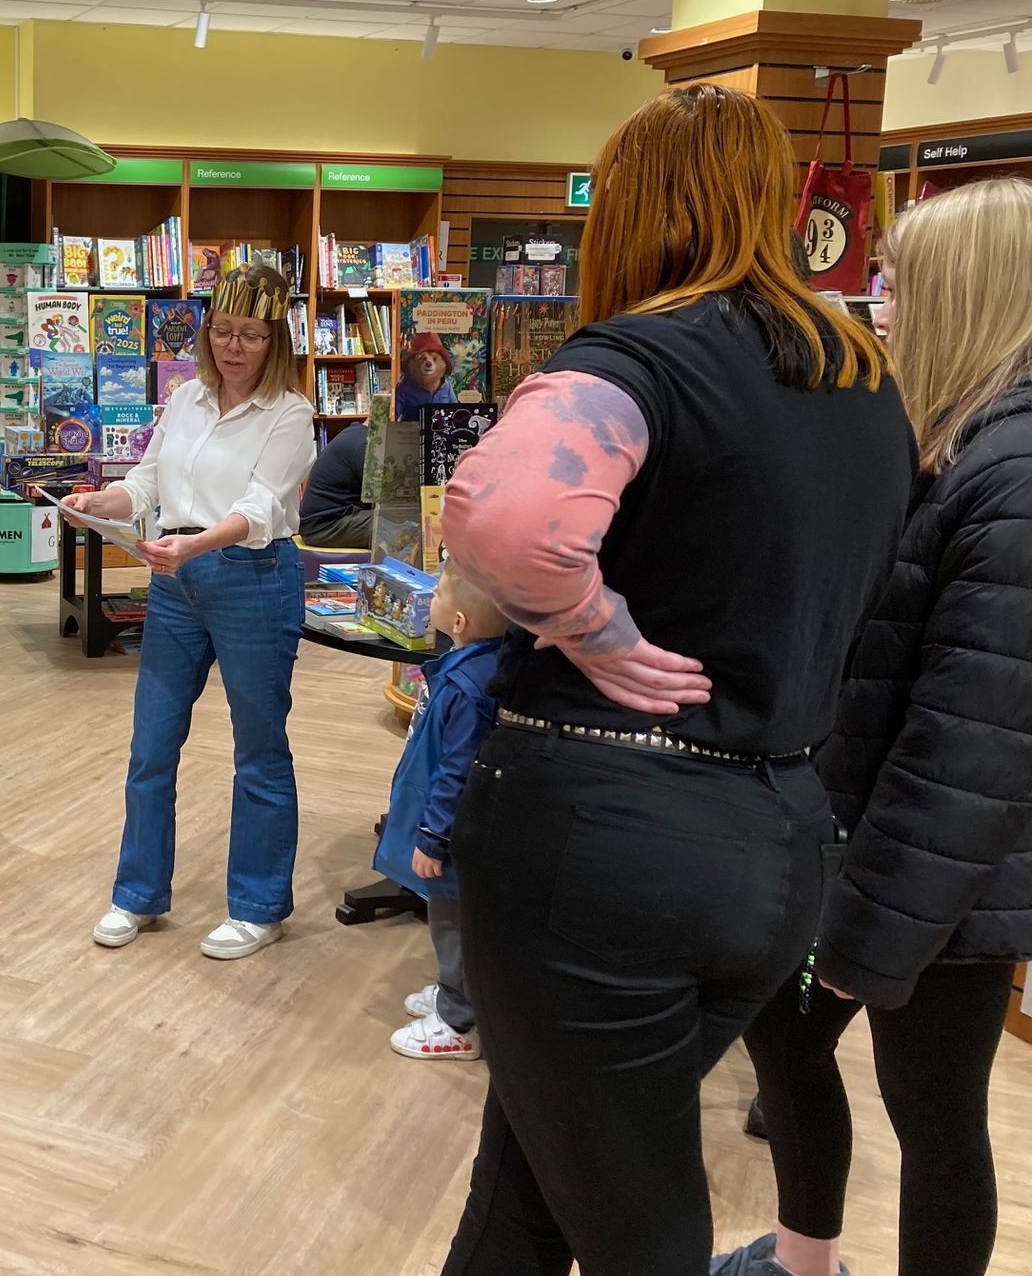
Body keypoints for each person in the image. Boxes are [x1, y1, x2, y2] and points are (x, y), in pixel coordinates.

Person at [431, 84, 914, 1274]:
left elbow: (498, 518)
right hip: (781, 836)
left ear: (631, 210)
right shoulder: (860, 376)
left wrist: (591, 628)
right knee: (533, 1177)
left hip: (601, 841)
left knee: (633, 1225)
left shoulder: (639, 356)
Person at [718, 177, 1032, 1276]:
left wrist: (876, 929)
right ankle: (806, 1261)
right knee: (787, 1043)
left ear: (972, 294)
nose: (874, 296)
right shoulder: (953, 439)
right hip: (873, 846)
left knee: (935, 1113)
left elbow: (972, 750)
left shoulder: (1015, 475)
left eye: (901, 278)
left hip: (942, 883)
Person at [68, 262, 316, 961]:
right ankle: (137, 893)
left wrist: (198, 544)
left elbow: (262, 507)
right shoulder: (186, 399)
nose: (233, 347)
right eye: (223, 331)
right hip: (177, 587)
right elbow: (148, 482)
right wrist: (100, 503)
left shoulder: (291, 413)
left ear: (277, 342)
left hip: (252, 580)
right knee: (151, 744)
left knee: (259, 750)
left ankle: (258, 905)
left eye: (252, 335)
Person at [374, 561, 506, 1062]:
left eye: (436, 594)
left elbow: (457, 770)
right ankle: (456, 992)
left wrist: (432, 837)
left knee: (451, 922)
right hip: (449, 825)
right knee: (449, 919)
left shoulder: (468, 688)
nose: (428, 599)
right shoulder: (478, 666)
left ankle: (458, 1020)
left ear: (459, 624)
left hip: (448, 835)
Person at [297, 423, 372, 549]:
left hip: (323, 522)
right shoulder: (364, 444)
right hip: (325, 526)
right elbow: (381, 495)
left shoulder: (355, 434)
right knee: (396, 526)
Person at [395, 331, 458, 419]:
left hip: (440, 431)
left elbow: (456, 412)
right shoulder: (405, 386)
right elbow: (393, 415)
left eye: (434, 358)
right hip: (413, 431)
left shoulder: (446, 386)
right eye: (422, 358)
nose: (428, 362)